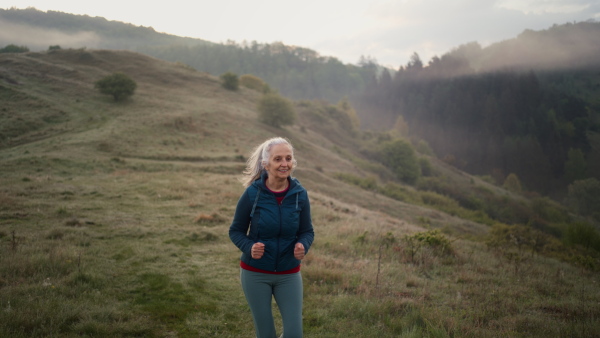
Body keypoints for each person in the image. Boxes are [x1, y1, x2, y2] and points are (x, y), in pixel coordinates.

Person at [229, 137, 315, 338]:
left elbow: (307, 231)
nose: (285, 164)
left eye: (288, 158)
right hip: (255, 273)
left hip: (289, 273)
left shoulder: (300, 194)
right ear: (265, 164)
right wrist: (249, 247)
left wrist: (303, 244)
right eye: (278, 159)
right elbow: (235, 231)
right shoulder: (252, 194)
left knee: (295, 334)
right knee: (266, 334)